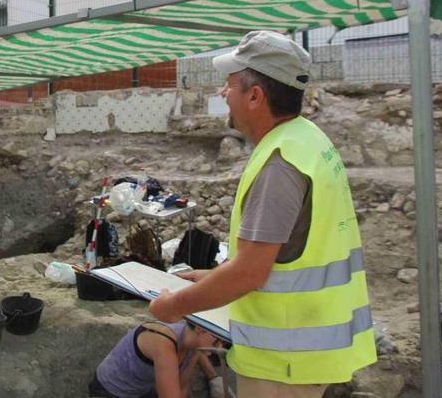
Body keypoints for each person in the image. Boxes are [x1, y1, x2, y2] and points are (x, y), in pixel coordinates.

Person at [149, 31, 376, 398]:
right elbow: (286, 256)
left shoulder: (279, 165)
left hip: (284, 360)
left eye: (229, 85)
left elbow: (250, 272)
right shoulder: (306, 139)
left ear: (255, 96)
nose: (223, 94)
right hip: (307, 344)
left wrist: (172, 306)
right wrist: (215, 276)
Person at [89, 320, 225, 398]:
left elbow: (181, 389)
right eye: (217, 340)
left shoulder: (194, 345)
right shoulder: (163, 342)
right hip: (109, 391)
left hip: (141, 392)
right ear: (200, 328)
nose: (219, 346)